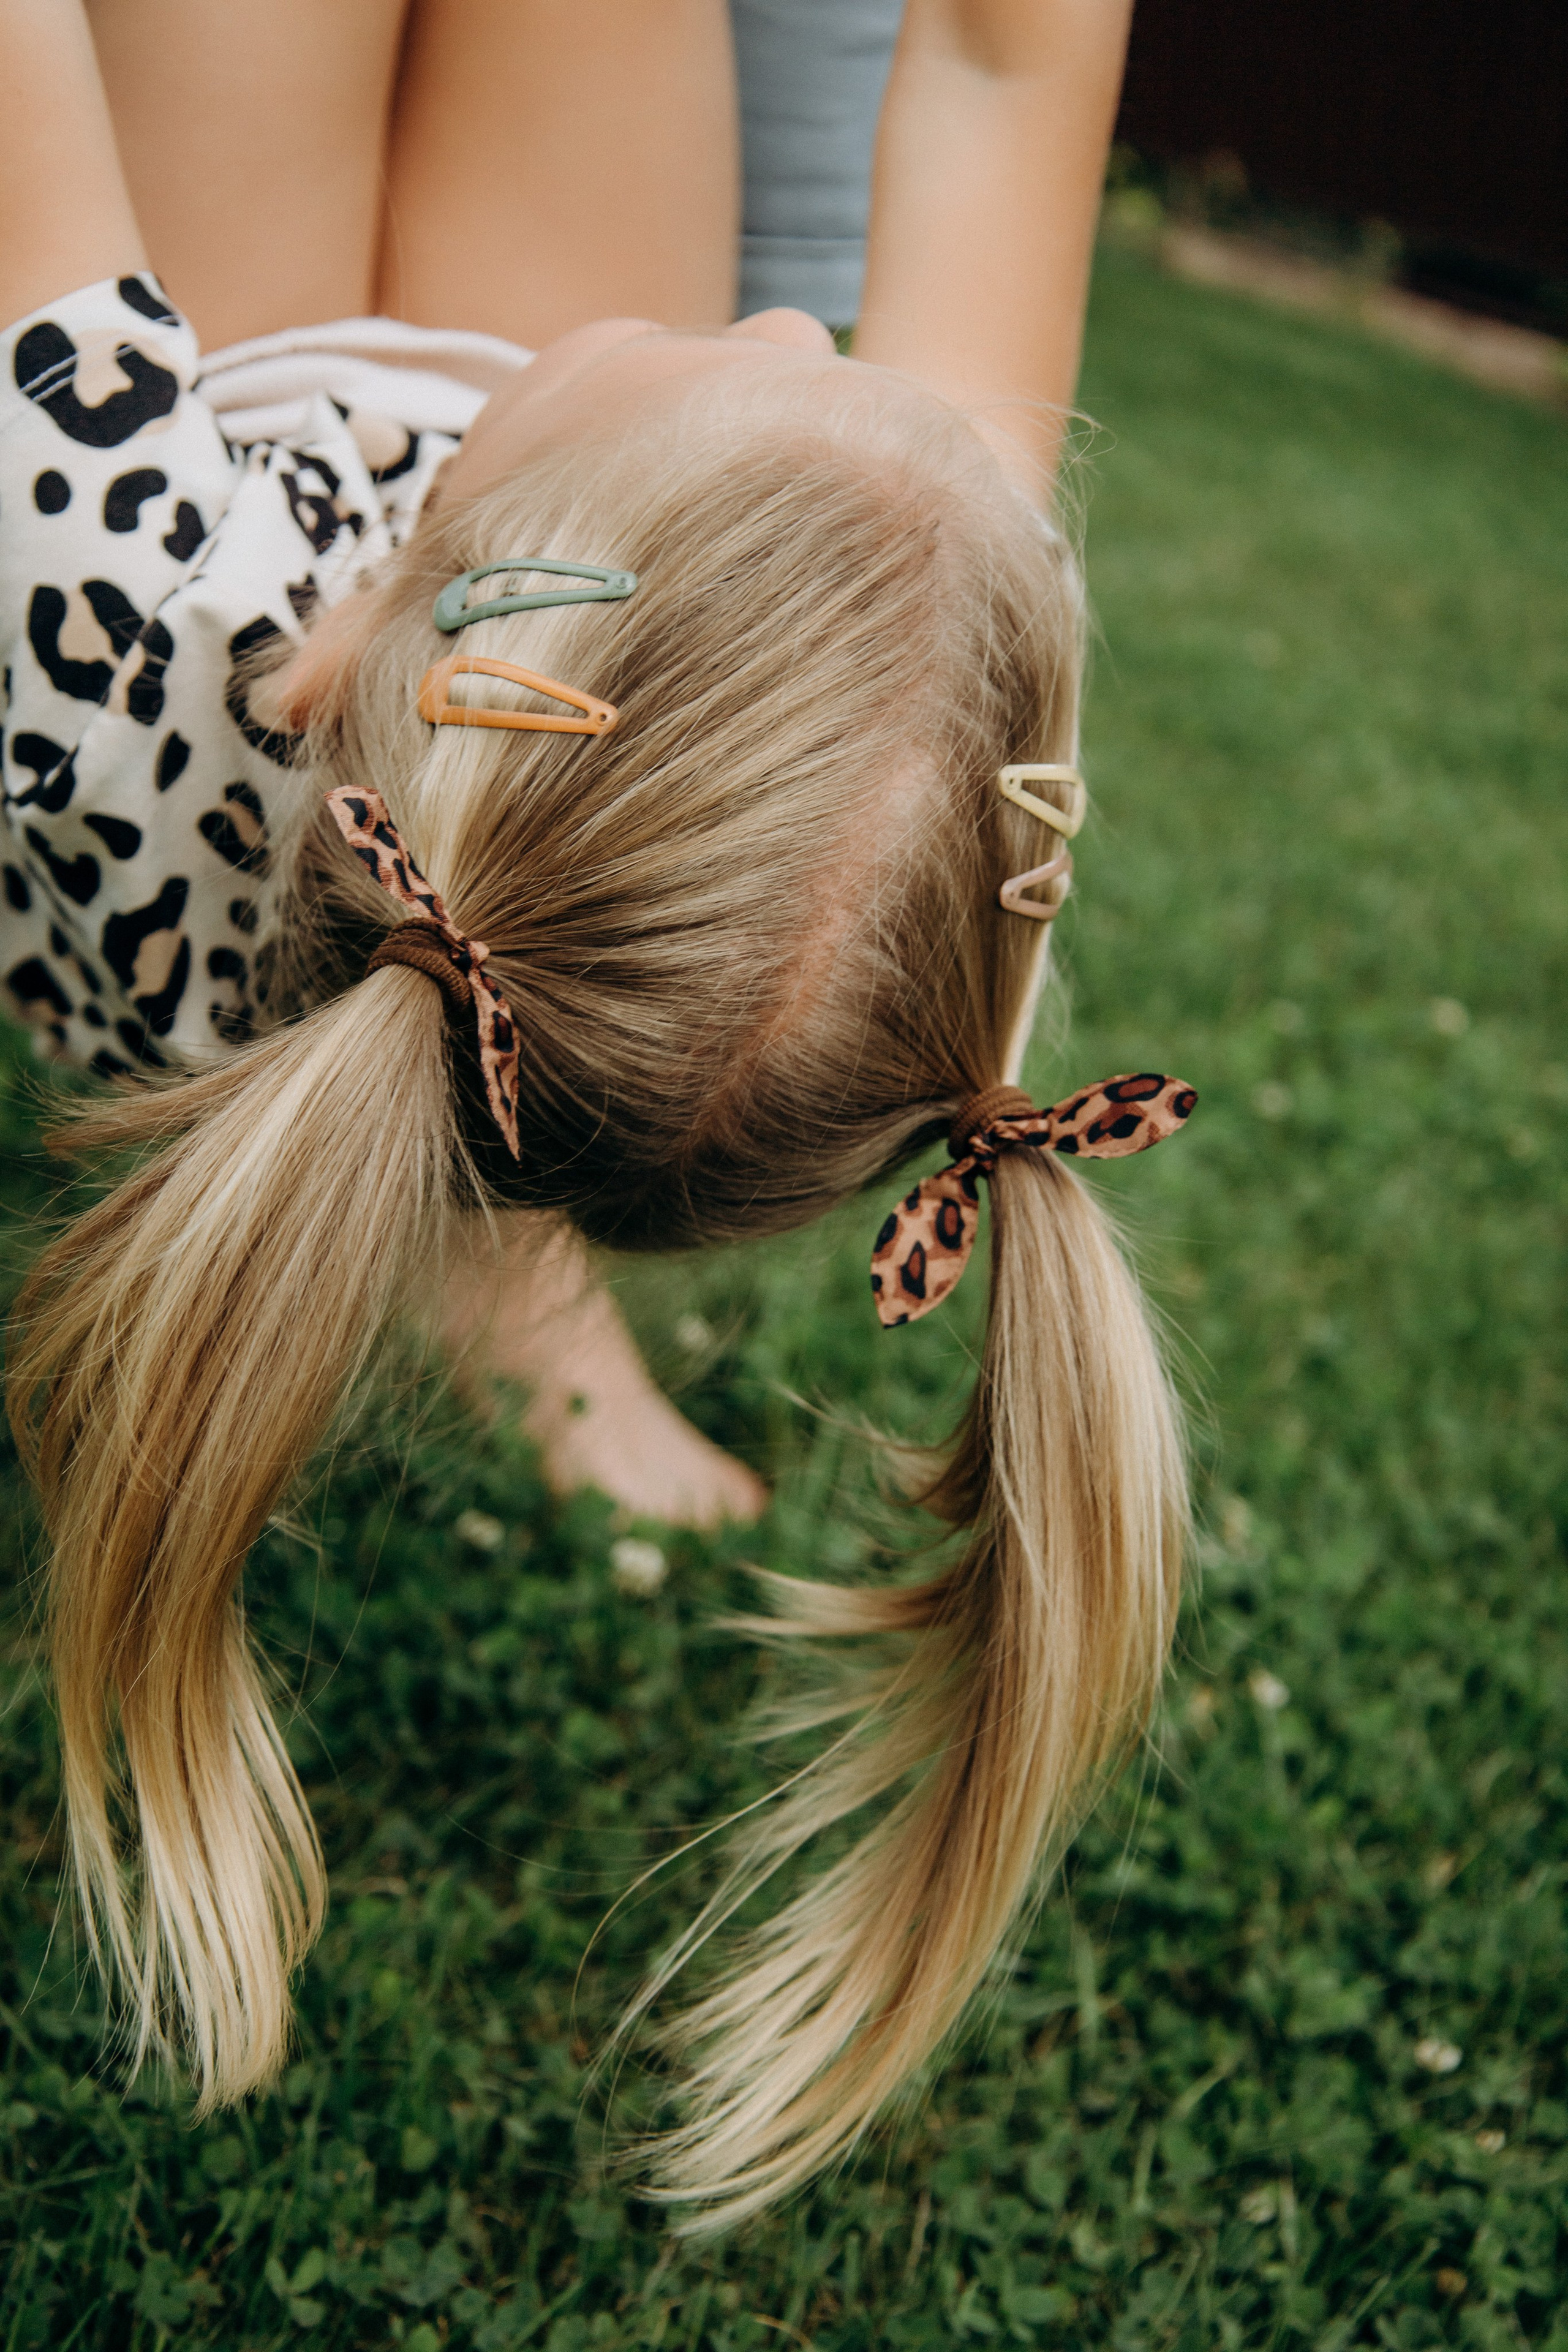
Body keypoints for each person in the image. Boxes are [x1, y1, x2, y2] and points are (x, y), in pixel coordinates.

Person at [0, 0, 1189, 2228]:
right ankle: (504, 1267)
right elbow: (1011, 74)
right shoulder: (915, 697)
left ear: (429, 612)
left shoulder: (94, 587)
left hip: (222, 472)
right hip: (500, 610)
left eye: (765, 348)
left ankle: (509, 1299)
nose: (775, 295)